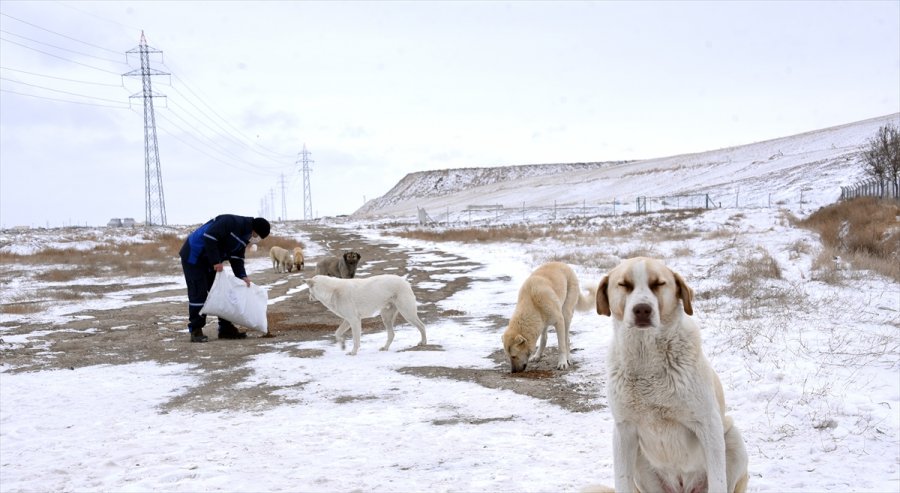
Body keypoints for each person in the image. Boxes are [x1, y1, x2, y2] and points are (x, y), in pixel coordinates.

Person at [179, 214, 270, 342]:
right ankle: (196, 330)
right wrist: (216, 261)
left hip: (210, 260)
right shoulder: (230, 222)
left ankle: (225, 329)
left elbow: (237, 257)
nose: (255, 239)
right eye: (257, 236)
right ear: (254, 230)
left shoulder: (245, 236)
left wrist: (242, 276)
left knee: (223, 292)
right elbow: (210, 237)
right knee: (198, 293)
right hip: (194, 255)